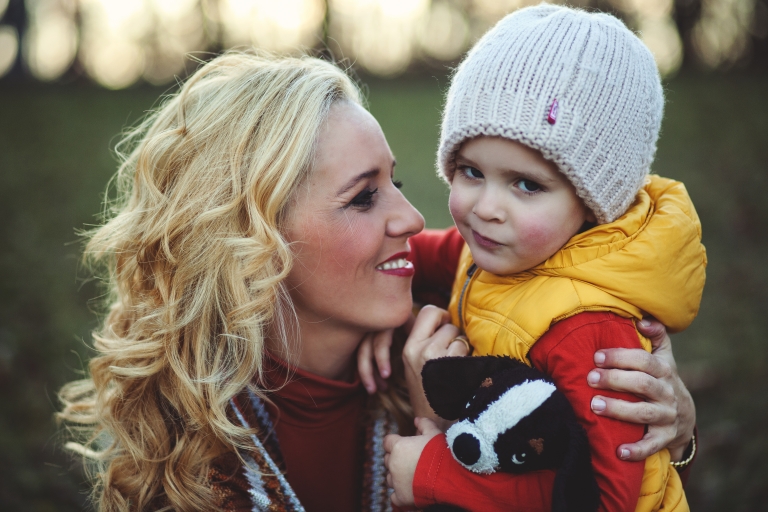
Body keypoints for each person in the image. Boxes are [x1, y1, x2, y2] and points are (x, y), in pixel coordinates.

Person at [57, 51, 696, 512]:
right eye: (364, 197)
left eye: (399, 182)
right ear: (250, 239)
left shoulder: (457, 334)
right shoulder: (181, 445)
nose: (413, 218)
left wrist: (670, 431)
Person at [380, 5, 705, 511]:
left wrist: (436, 471)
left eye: (527, 184)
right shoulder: (498, 251)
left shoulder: (587, 331)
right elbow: (416, 256)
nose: (486, 208)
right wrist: (371, 298)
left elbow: (601, 497)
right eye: (470, 171)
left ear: (593, 205)